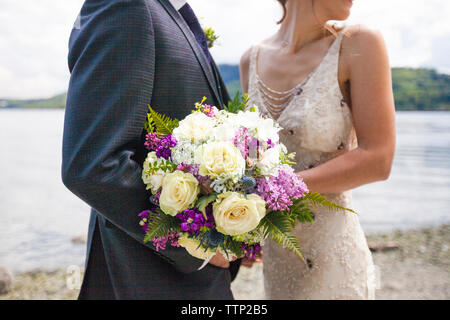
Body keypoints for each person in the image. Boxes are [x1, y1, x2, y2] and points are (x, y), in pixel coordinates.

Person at [62, 0, 240, 300]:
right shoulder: (123, 6)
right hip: (148, 275)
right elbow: (93, 164)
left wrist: (236, 230)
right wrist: (200, 248)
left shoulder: (169, 12)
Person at [240, 0, 396, 299]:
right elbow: (253, 164)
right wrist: (244, 229)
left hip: (334, 257)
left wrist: (278, 189)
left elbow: (378, 159)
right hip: (277, 255)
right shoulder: (251, 59)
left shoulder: (359, 44)